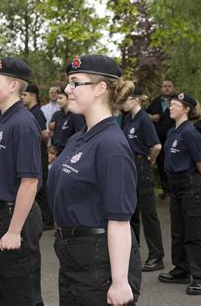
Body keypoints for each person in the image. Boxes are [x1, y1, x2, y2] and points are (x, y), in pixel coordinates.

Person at [47, 54, 141, 305]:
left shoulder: (111, 144)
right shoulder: (80, 137)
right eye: (68, 82)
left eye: (76, 82)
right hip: (72, 254)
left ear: (100, 88)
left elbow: (120, 219)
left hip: (98, 259)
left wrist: (120, 283)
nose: (68, 89)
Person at [0, 57, 43, 305]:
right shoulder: (0, 120)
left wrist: (14, 230)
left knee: (20, 294)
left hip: (13, 218)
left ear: (14, 86)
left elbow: (29, 182)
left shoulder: (23, 123)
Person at [158, 92, 201, 296]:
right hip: (176, 185)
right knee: (178, 231)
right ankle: (181, 270)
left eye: (175, 104)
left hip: (191, 184)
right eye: (170, 104)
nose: (170, 107)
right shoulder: (174, 131)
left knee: (193, 234)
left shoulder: (191, 132)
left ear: (186, 109)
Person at [122, 83, 165, 272]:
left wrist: (149, 161)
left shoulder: (143, 119)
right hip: (129, 166)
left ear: (137, 99)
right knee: (132, 212)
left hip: (141, 165)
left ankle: (156, 255)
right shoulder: (128, 119)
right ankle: (132, 250)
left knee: (148, 214)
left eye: (127, 99)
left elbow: (156, 145)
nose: (123, 103)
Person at [21, 84, 54, 231]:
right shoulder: (29, 111)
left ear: (33, 96)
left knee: (41, 189)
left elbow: (44, 134)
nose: (22, 97)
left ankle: (47, 220)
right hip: (35, 151)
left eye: (25, 95)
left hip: (39, 153)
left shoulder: (37, 112)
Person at [147, 79, 176, 199]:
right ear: (161, 88)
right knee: (161, 164)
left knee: (173, 163)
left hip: (173, 138)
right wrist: (151, 117)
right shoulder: (156, 102)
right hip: (158, 139)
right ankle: (166, 189)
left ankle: (174, 189)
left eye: (169, 86)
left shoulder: (177, 101)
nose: (167, 88)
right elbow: (144, 114)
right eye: (164, 86)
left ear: (173, 88)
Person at [49, 86, 85, 156]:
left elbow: (80, 136)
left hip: (69, 153)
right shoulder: (58, 115)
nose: (58, 101)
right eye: (57, 98)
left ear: (69, 99)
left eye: (60, 98)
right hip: (57, 153)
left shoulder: (76, 115)